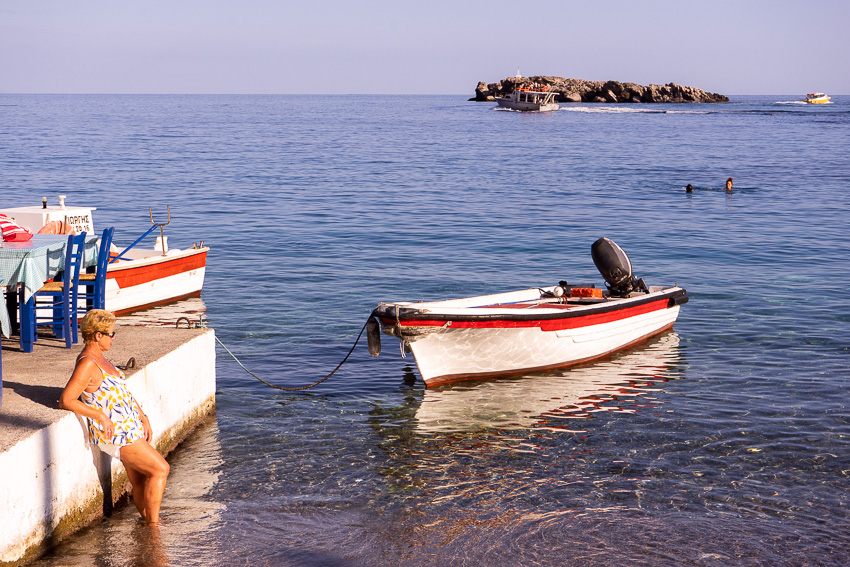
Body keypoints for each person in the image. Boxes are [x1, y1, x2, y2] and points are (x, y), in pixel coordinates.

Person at [60, 309, 169, 524]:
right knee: (160, 469)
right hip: (117, 433)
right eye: (111, 333)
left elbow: (122, 392)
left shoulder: (100, 358)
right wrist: (100, 415)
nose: (114, 337)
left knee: (139, 478)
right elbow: (66, 399)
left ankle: (147, 521)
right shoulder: (87, 364)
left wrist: (143, 416)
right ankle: (154, 529)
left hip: (129, 427)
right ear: (98, 335)